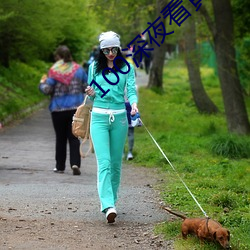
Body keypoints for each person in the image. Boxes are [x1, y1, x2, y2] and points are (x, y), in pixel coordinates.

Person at [85, 31, 138, 223]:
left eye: (113, 49)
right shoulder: (94, 68)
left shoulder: (126, 68)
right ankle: (107, 205)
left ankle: (112, 201)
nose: (110, 53)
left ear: (118, 48)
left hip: (120, 118)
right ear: (101, 50)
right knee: (104, 163)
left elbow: (131, 90)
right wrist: (90, 92)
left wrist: (133, 104)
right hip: (98, 117)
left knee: (116, 164)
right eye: (106, 50)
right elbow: (91, 97)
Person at [39, 45, 88, 175]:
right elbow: (86, 86)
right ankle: (75, 163)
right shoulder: (79, 70)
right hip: (75, 109)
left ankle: (60, 166)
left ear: (58, 57)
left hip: (58, 109)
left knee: (60, 138)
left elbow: (47, 90)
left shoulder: (54, 71)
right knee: (74, 137)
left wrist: (42, 83)